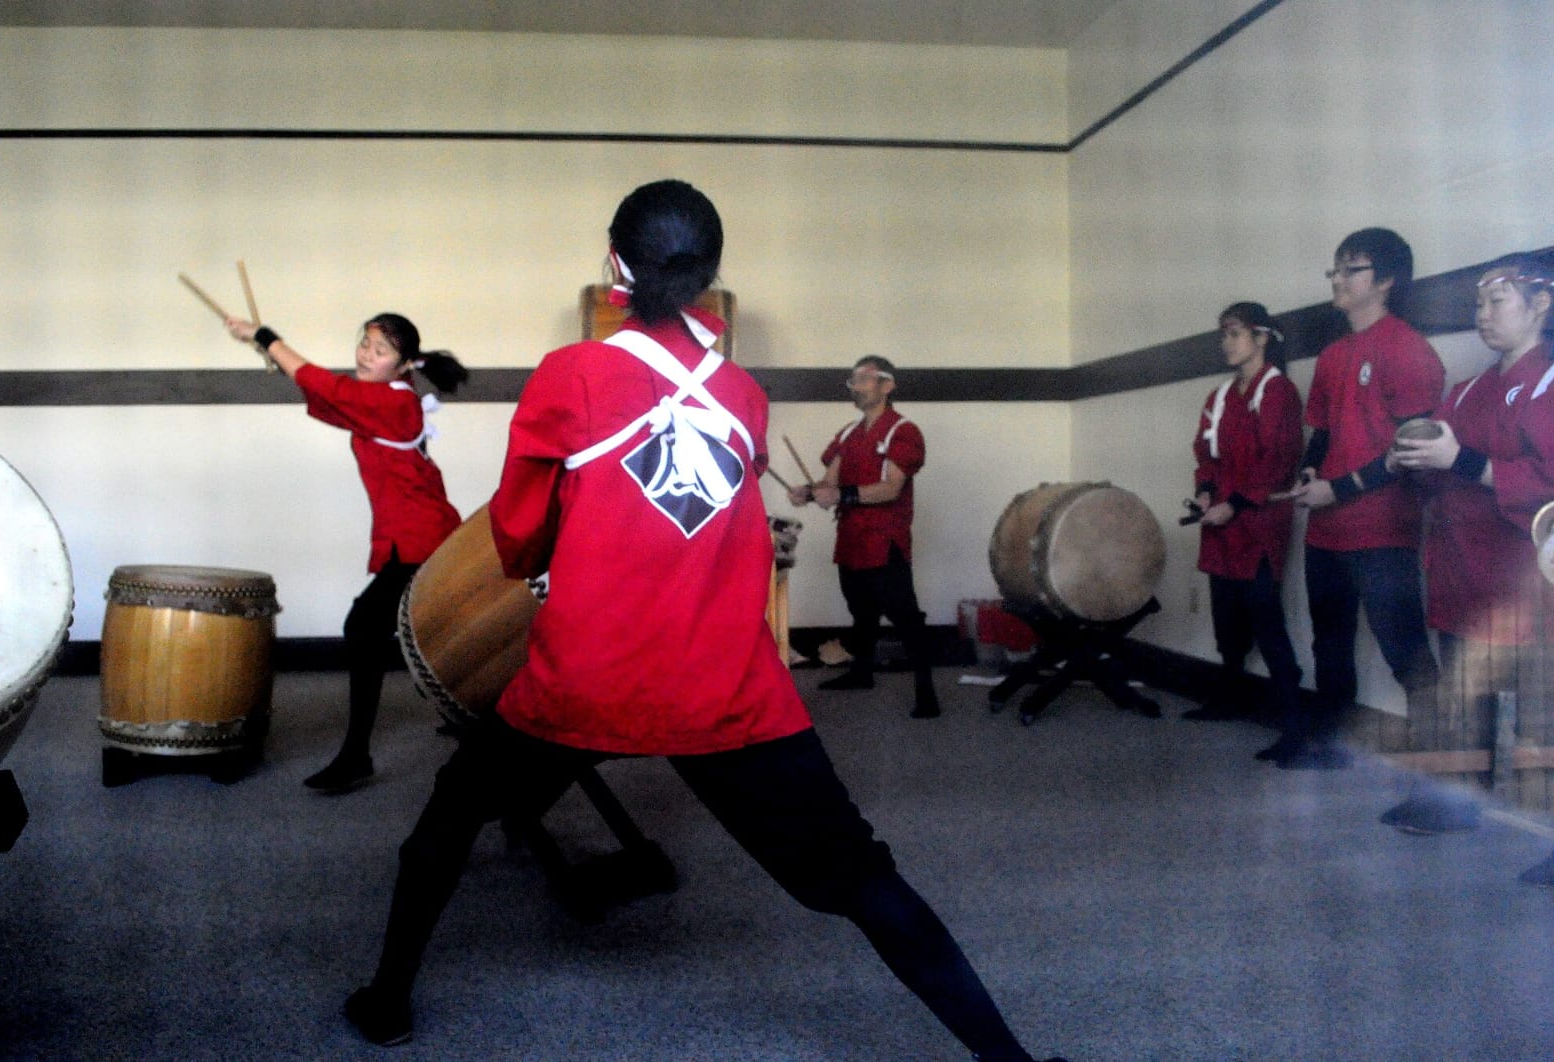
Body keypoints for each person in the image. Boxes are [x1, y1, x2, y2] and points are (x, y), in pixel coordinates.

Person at [342, 180, 1062, 1062]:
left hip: (586, 677)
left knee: (445, 828)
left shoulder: (570, 375)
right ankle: (1016, 1061)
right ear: (711, 277)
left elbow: (519, 532)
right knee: (864, 878)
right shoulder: (745, 398)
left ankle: (386, 1002)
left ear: (615, 264)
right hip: (724, 688)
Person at [223, 311, 468, 792]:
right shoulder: (381, 401)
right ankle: (474, 716)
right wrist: (268, 352)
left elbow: (332, 391)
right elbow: (327, 401)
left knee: (363, 627)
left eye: (380, 351)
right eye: (365, 343)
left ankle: (357, 755)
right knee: (433, 630)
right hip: (415, 535)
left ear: (403, 366)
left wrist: (270, 338)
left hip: (421, 539)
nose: (365, 355)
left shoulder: (393, 404)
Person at [1379, 253, 1554, 835]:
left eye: (1496, 301)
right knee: (1464, 702)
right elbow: (1439, 469)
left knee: (1542, 714)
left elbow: (1546, 483)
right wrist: (1408, 458)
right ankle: (1457, 804)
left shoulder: (1550, 383)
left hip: (1526, 581)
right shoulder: (1468, 389)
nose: (1482, 314)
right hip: (1462, 572)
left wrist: (1465, 460)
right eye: (1477, 303)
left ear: (1540, 304)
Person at [1278, 228, 1444, 770]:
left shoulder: (1409, 350)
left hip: (1382, 530)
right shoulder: (1332, 355)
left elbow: (1410, 451)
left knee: (1405, 653)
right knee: (1330, 643)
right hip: (1327, 530)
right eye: (1335, 269)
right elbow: (1322, 432)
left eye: (1353, 269)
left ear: (1388, 280)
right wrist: (1309, 473)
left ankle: (1442, 771)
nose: (1338, 279)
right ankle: (1330, 743)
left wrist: (1340, 488)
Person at [786, 355, 941, 719]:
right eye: (853, 380)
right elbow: (831, 483)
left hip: (885, 539)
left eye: (864, 379)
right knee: (861, 611)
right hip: (852, 536)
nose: (856, 385)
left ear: (887, 385)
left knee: (904, 616)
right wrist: (808, 492)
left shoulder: (902, 431)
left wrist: (841, 496)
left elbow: (891, 489)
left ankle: (927, 691)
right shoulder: (848, 433)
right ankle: (861, 673)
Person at [1185, 303, 1304, 730]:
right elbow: (1205, 452)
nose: (1226, 343)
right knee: (1226, 617)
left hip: (1258, 522)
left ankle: (1292, 714)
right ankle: (1230, 697)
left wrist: (1232, 504)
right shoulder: (1218, 397)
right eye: (1224, 334)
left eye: (1235, 333)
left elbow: (1276, 463)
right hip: (1219, 524)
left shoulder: (1278, 392)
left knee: (1264, 615)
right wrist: (1203, 492)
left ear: (1261, 338)